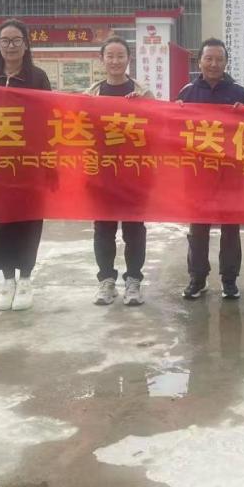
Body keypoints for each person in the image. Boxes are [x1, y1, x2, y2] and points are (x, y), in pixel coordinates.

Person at [0, 19, 51, 312]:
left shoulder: (37, 78)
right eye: (5, 41)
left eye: (16, 40)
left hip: (28, 163)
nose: (10, 46)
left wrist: (48, 161)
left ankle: (26, 279)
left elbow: (48, 118)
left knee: (27, 220)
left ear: (26, 44)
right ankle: (7, 281)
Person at [176, 37, 244, 300]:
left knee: (230, 228)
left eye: (219, 59)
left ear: (226, 62)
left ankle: (229, 280)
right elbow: (173, 129)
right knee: (198, 228)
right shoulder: (187, 93)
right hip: (197, 173)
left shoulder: (240, 93)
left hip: (231, 173)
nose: (213, 64)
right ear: (199, 62)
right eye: (208, 59)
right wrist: (176, 111)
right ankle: (197, 278)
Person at [86, 35, 154, 306]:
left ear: (129, 59)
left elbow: (158, 131)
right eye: (110, 56)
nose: (115, 61)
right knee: (103, 227)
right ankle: (106, 281)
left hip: (134, 173)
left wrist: (143, 108)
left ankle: (133, 280)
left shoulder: (143, 93)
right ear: (101, 59)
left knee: (134, 228)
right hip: (101, 173)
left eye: (120, 56)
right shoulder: (91, 95)